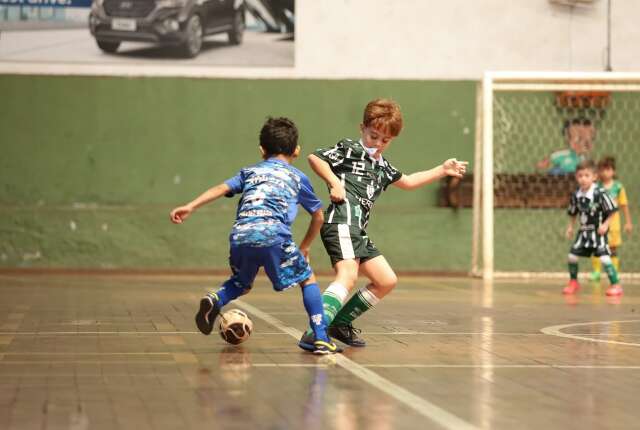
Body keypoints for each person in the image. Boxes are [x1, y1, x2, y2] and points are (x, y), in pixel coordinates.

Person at [298, 98, 468, 349]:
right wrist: (334, 182)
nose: (377, 143)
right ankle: (316, 331)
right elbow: (316, 158)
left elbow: (409, 181)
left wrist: (442, 170)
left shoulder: (382, 167)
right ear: (362, 128)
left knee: (386, 280)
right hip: (342, 222)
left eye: (385, 140)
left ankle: (340, 323)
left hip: (359, 232)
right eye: (373, 136)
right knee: (347, 275)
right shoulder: (349, 149)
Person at [170, 117, 340, 354]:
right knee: (307, 279)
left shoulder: (249, 172)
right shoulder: (297, 177)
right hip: (274, 235)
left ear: (262, 150)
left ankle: (215, 299)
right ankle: (321, 337)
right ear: (297, 151)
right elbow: (318, 217)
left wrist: (190, 206)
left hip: (241, 234)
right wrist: (304, 247)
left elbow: (221, 188)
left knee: (241, 283)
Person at [563, 159, 622, 296]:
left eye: (586, 175)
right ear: (576, 177)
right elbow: (573, 213)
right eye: (580, 176)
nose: (583, 179)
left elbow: (612, 210)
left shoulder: (600, 193)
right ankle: (573, 282)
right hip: (583, 232)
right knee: (572, 256)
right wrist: (570, 227)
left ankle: (616, 285)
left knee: (605, 258)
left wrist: (605, 224)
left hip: (598, 233)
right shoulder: (576, 195)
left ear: (594, 176)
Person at [590, 156, 633, 280]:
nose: (605, 172)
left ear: (613, 171)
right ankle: (596, 272)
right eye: (602, 170)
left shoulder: (618, 187)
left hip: (613, 224)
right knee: (597, 247)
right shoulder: (596, 187)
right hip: (599, 222)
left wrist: (628, 222)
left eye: (608, 169)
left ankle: (614, 273)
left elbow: (624, 205)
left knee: (612, 249)